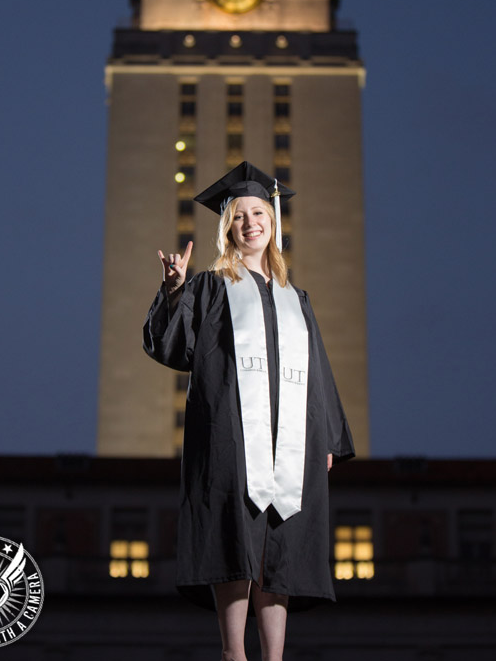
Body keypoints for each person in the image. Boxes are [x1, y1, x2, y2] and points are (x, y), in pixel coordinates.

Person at [143, 162, 354, 661]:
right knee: (235, 534)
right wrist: (174, 289)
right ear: (227, 228)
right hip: (231, 436)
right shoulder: (211, 287)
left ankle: (274, 656)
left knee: (279, 539)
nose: (252, 222)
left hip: (292, 440)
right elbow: (173, 347)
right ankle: (233, 652)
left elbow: (318, 373)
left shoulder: (295, 299)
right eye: (240, 216)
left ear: (273, 222)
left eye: (260, 212)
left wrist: (325, 436)